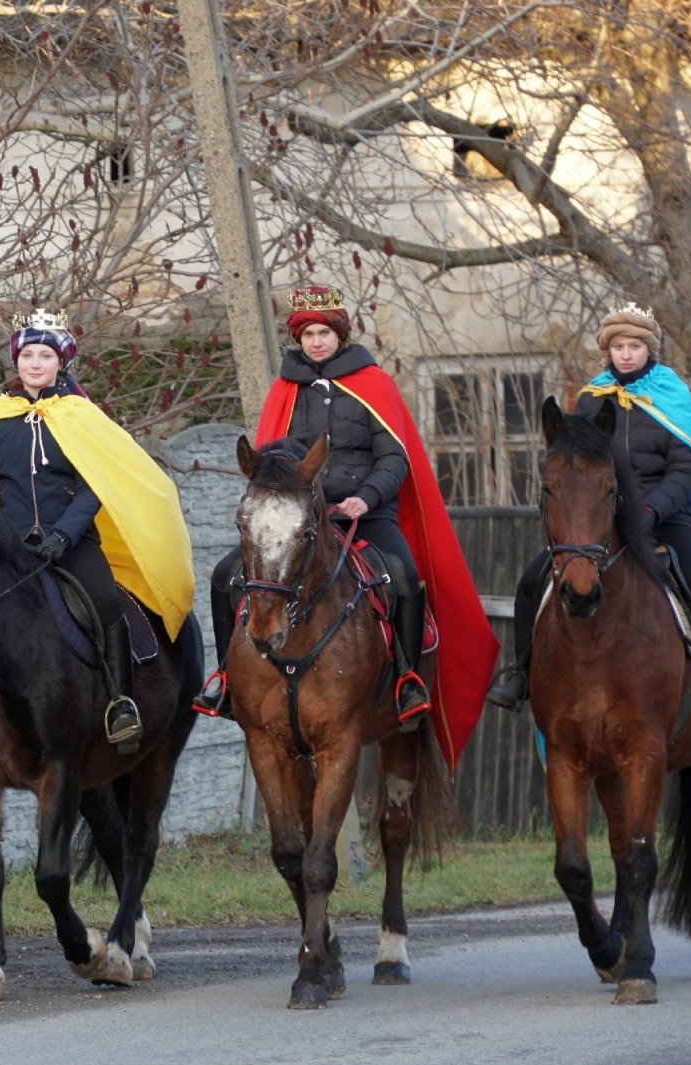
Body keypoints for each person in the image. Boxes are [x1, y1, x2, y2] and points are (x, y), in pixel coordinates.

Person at [194, 285, 499, 767]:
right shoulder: (285, 390)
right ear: (299, 338)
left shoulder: (374, 383)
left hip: (365, 513)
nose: (317, 342)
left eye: (325, 333)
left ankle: (406, 681)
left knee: (402, 575)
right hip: (301, 516)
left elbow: (395, 458)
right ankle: (225, 680)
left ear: (340, 335)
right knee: (224, 575)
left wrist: (367, 498)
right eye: (309, 333)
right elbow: (276, 459)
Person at [0, 309, 195, 764]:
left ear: (60, 362)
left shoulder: (81, 417)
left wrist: (64, 537)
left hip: (72, 543)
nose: (35, 363)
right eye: (27, 354)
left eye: (45, 354)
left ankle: (120, 704)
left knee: (105, 600)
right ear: (17, 361)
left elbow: (94, 488)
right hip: (10, 546)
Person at [485, 301, 691, 714]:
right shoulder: (590, 399)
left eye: (634, 346)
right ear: (608, 351)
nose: (626, 354)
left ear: (649, 350)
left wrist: (650, 510)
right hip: (601, 522)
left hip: (664, 518)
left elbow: (684, 468)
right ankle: (520, 672)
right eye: (619, 346)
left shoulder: (672, 397)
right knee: (531, 581)